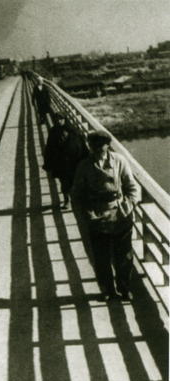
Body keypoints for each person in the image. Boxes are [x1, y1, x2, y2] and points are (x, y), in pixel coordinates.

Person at [72, 130, 140, 301]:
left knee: (124, 256)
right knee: (101, 257)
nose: (97, 149)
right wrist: (85, 215)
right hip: (96, 216)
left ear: (108, 145)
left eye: (101, 145)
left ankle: (124, 288)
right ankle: (107, 290)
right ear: (90, 146)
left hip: (119, 215)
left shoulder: (119, 161)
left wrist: (129, 205)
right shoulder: (84, 166)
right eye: (93, 146)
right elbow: (77, 195)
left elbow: (132, 187)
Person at [43, 114, 88, 208]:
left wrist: (85, 158)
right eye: (57, 119)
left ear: (65, 120)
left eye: (61, 119)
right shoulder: (53, 132)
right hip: (60, 162)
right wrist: (48, 163)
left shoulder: (73, 131)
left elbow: (82, 145)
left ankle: (76, 199)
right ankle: (67, 200)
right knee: (64, 182)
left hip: (74, 161)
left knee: (74, 181)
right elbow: (49, 148)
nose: (59, 121)